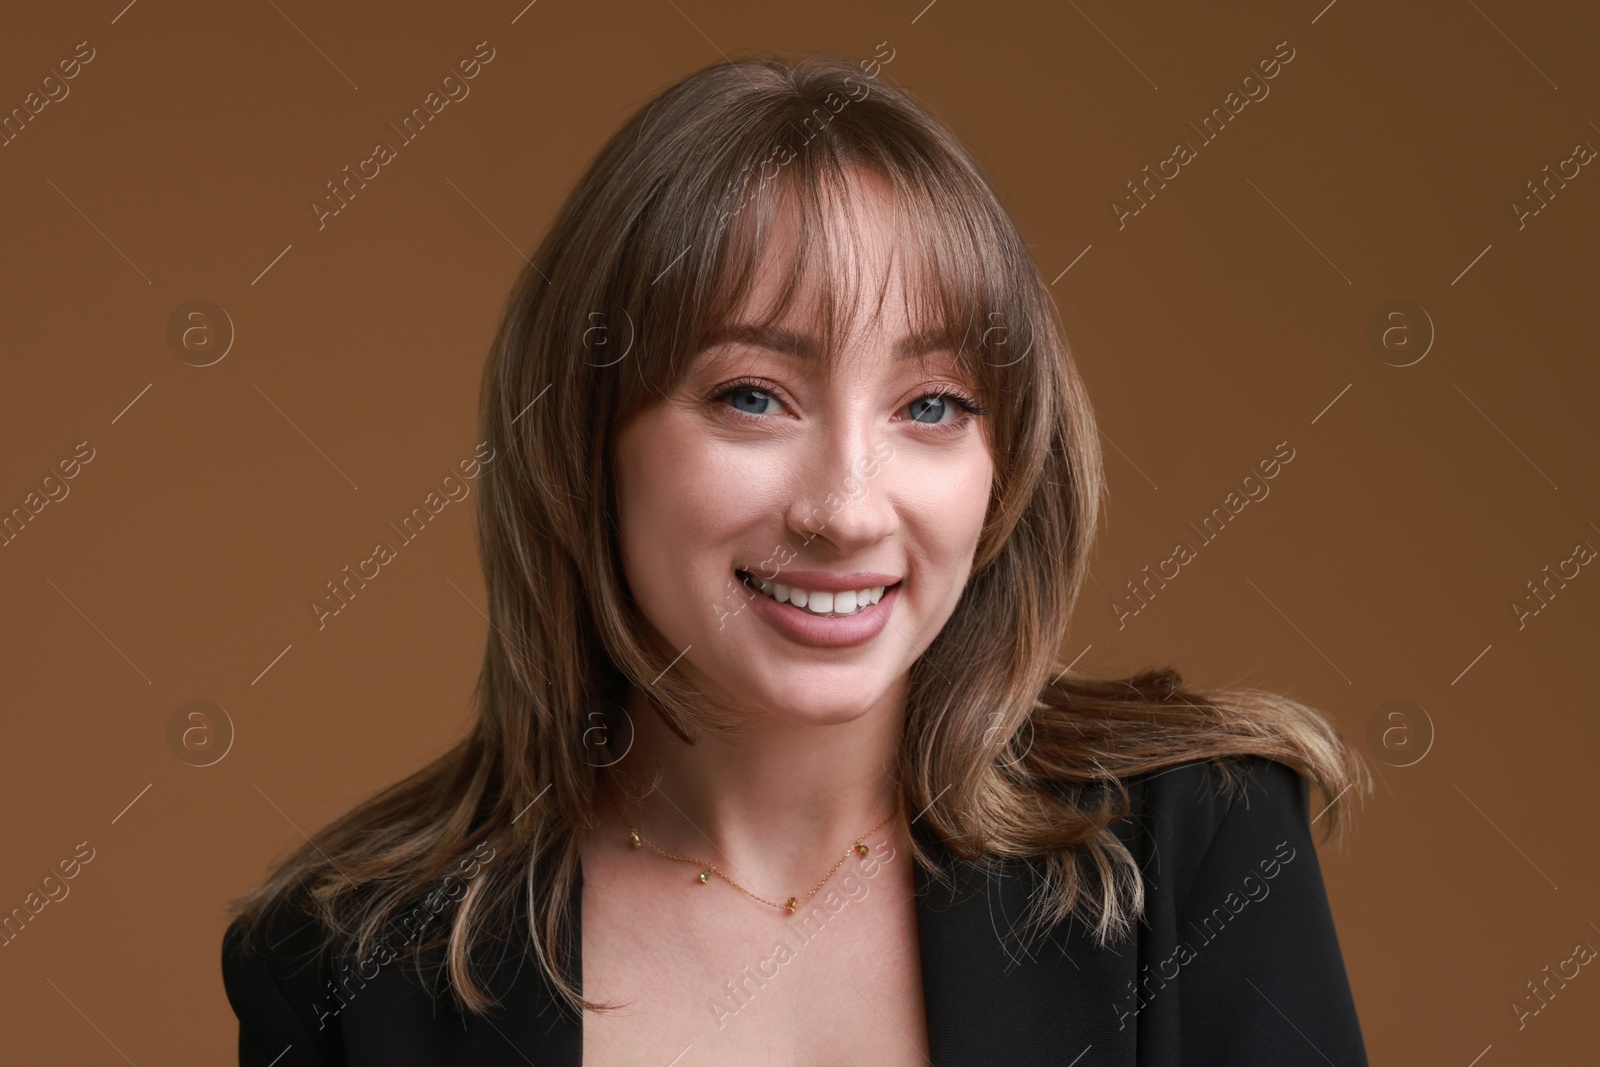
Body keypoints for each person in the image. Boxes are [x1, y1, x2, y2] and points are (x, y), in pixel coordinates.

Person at [221, 49, 1373, 1066]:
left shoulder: (1196, 845)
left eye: (930, 405)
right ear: (586, 441)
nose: (847, 508)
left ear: (1005, 458)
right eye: (752, 396)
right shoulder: (349, 968)